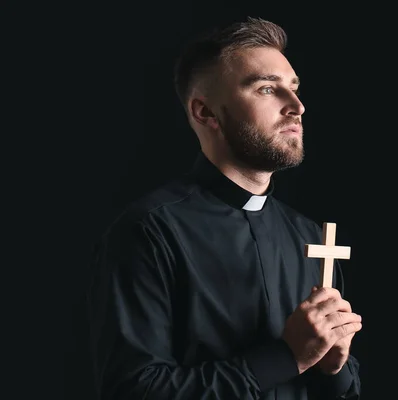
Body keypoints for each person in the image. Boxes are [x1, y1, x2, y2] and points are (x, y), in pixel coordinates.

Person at [86, 16, 362, 400]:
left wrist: (334, 368)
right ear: (205, 113)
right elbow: (133, 390)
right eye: (267, 89)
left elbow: (343, 388)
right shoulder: (148, 232)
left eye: (294, 88)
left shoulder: (309, 235)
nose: (297, 106)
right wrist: (285, 357)